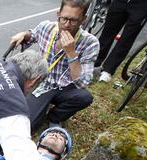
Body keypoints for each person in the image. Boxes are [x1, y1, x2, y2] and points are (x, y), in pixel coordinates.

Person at [10, 0, 99, 131]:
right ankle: (39, 107)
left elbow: (83, 83)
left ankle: (55, 117)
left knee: (85, 97)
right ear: (58, 14)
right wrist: (24, 34)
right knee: (28, 126)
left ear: (83, 20)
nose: (67, 25)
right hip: (41, 83)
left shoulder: (90, 43)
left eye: (74, 20)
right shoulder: (46, 27)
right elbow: (32, 35)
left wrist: (71, 53)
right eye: (64, 19)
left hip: (65, 86)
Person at [95, 0, 147, 82]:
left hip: (143, 4)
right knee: (107, 32)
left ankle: (108, 70)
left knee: (127, 38)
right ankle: (95, 61)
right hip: (120, 2)